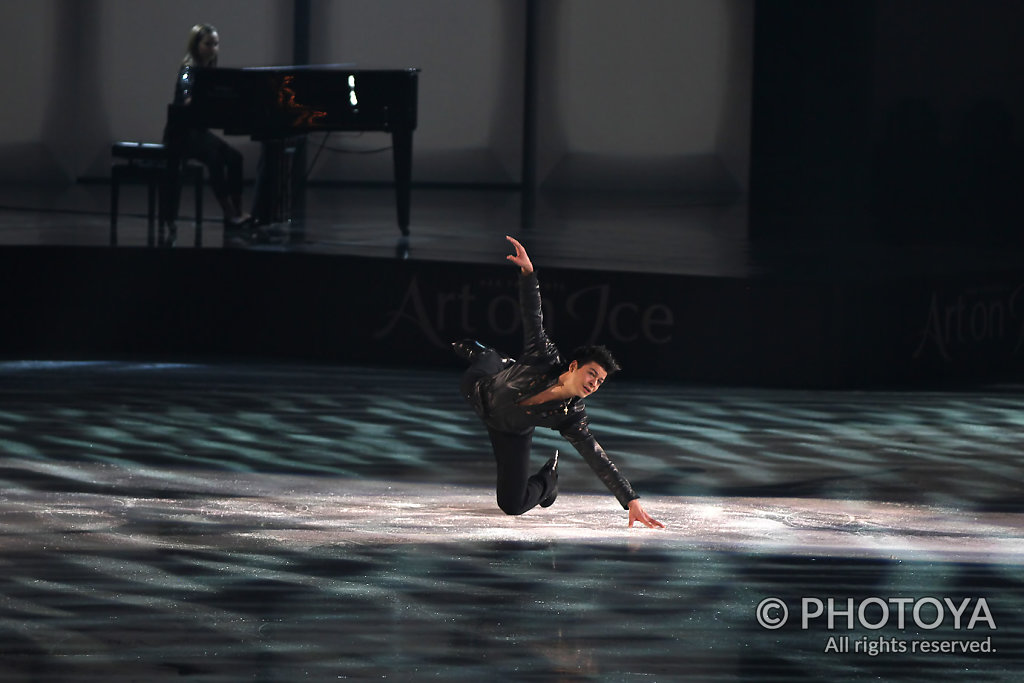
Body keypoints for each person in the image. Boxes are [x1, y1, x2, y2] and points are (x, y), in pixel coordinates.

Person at [454, 236, 665, 529]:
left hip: (508, 429)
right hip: (483, 387)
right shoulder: (543, 356)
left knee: (512, 506)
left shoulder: (572, 417)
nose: (594, 383)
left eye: (600, 381)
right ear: (575, 366)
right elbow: (532, 316)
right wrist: (528, 274)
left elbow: (598, 459)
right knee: (484, 363)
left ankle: (548, 480)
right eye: (592, 374)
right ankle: (488, 354)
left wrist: (631, 501)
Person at [162, 23, 250, 229]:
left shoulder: (209, 71)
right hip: (181, 133)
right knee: (215, 159)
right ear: (196, 45)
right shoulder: (188, 70)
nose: (213, 49)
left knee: (235, 158)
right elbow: (185, 101)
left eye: (216, 44)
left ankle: (237, 210)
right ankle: (229, 212)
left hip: (197, 132)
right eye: (208, 44)